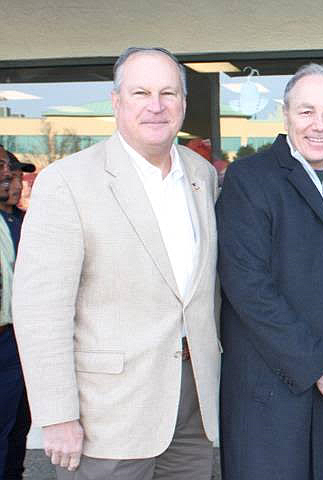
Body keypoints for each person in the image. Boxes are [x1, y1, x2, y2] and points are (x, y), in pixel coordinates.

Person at [12, 47, 221, 480]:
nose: (156, 105)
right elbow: (41, 312)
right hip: (105, 416)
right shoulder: (67, 182)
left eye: (169, 92)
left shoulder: (202, 175)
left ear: (183, 103)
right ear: (116, 101)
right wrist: (57, 414)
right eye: (141, 92)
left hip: (192, 404)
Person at [217, 64, 323, 480]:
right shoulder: (249, 179)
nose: (319, 125)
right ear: (285, 114)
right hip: (270, 391)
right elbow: (248, 287)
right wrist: (321, 365)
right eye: (306, 111)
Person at [0, 150, 34, 480]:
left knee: (18, 425)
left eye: (16, 173)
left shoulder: (27, 222)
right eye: (4, 170)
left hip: (23, 339)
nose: (11, 177)